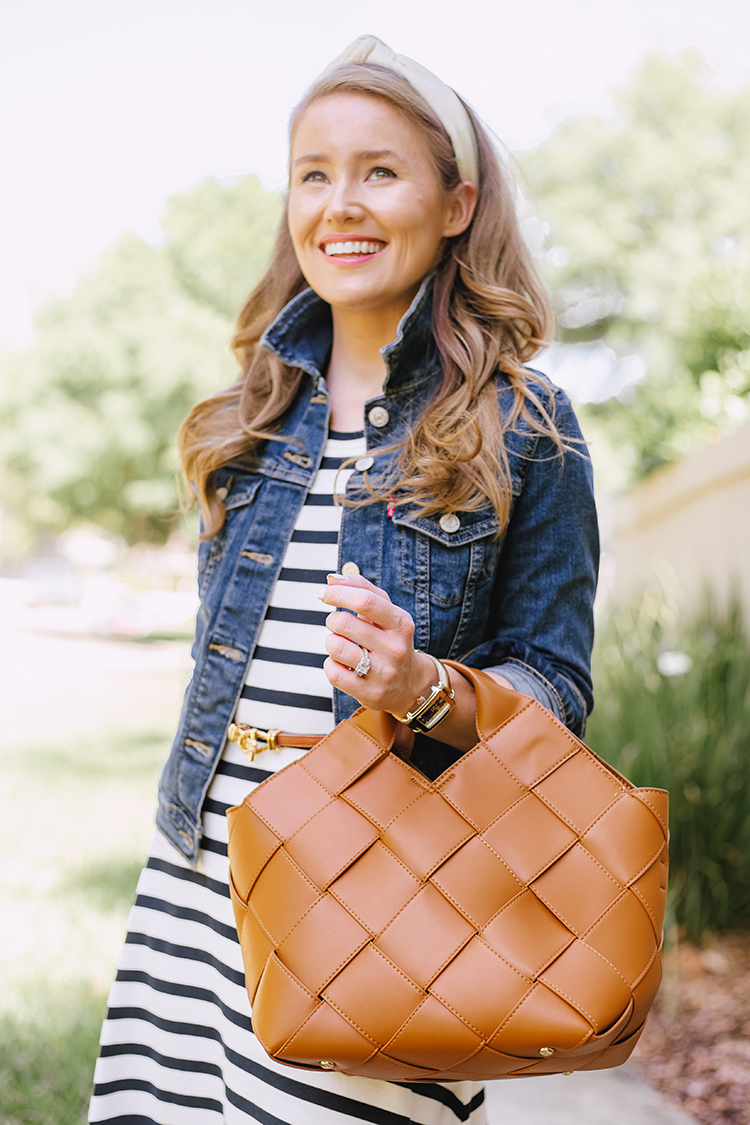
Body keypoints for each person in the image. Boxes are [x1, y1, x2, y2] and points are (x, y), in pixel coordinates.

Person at [89, 34, 599, 1125]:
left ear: (456, 204)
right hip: (203, 879)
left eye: (380, 170)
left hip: (392, 900)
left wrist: (425, 689)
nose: (340, 205)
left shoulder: (529, 423)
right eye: (313, 176)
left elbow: (558, 685)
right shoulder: (251, 420)